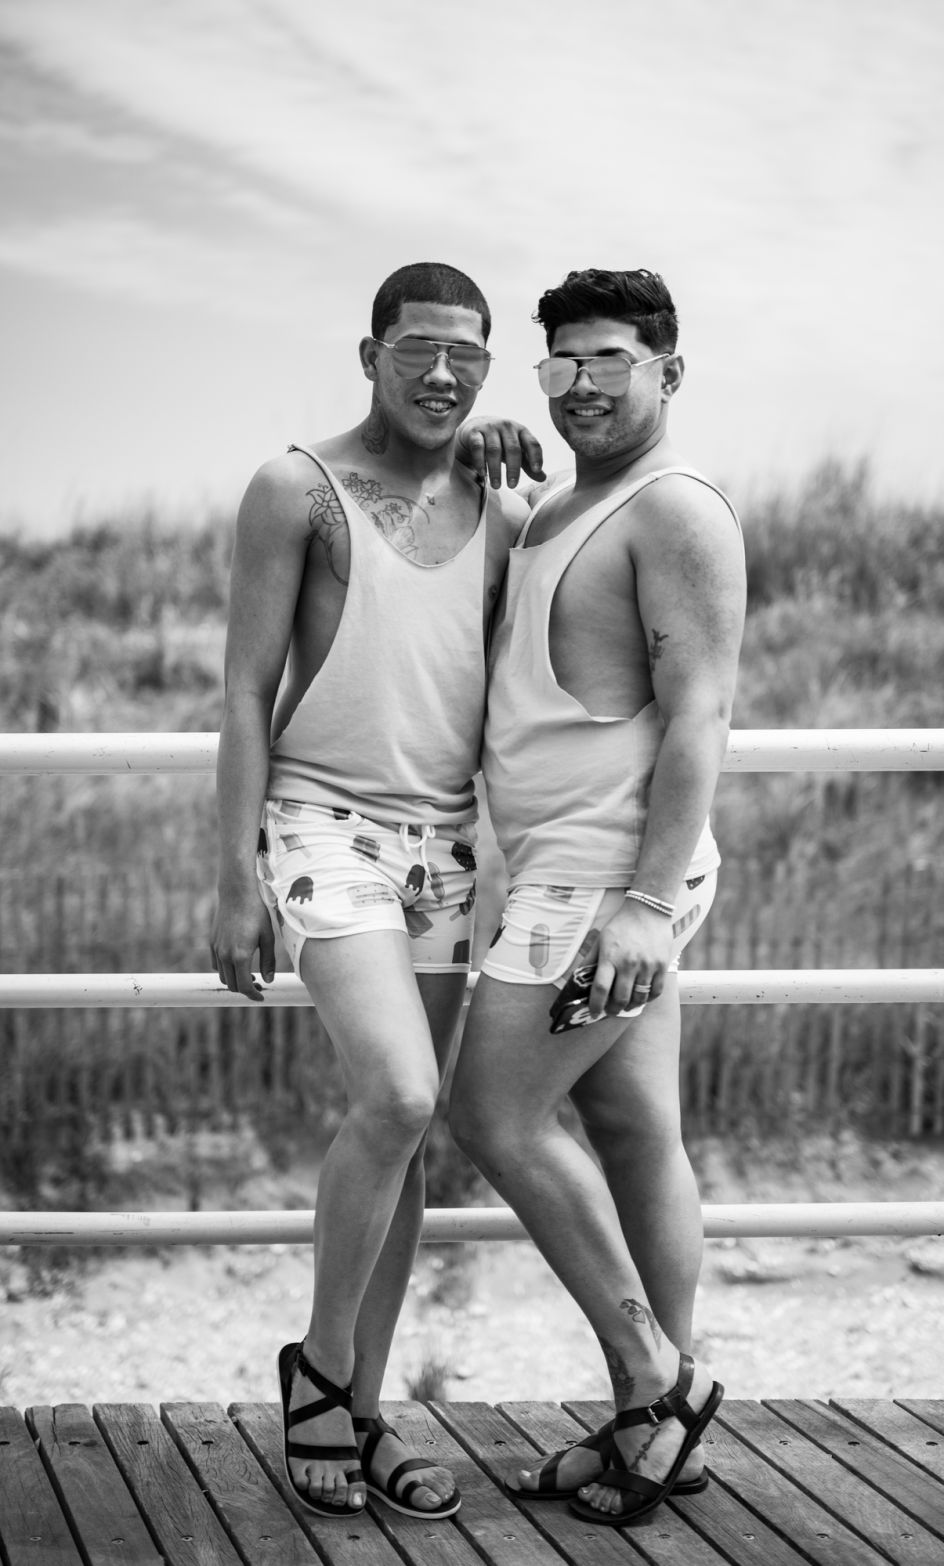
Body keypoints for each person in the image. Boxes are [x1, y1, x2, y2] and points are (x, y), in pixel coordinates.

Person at [210, 262, 538, 1520]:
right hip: (319, 826)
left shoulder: (502, 505)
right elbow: (244, 689)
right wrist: (234, 876)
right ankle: (322, 1373)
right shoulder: (296, 488)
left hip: (443, 848)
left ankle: (360, 1405)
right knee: (400, 1092)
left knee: (405, 1145)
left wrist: (532, 477)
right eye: (416, 349)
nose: (441, 372)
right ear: (369, 354)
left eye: (466, 353)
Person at [450, 267, 746, 1526]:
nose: (580, 383)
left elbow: (700, 716)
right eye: (560, 363)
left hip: (604, 874)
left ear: (666, 371)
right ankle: (647, 1435)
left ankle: (653, 1377)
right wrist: (474, 458)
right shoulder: (561, 509)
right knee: (631, 1136)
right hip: (560, 863)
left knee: (491, 1114)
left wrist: (643, 900)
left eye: (609, 359)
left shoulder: (674, 512)